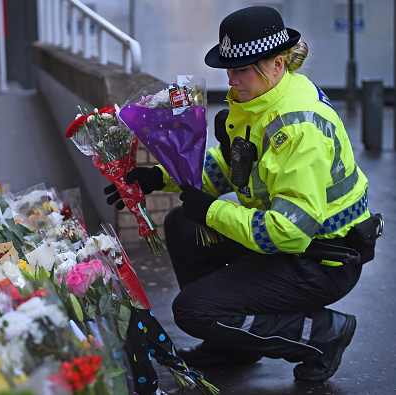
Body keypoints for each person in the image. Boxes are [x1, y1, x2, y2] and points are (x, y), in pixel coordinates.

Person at [105, 6, 381, 382]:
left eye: (241, 70)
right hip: (298, 247)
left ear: (276, 66)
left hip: (321, 260)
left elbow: (288, 231)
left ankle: (322, 336)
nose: (231, 80)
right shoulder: (261, 99)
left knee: (193, 311)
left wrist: (213, 212)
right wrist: (159, 178)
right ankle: (232, 346)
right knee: (184, 224)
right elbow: (232, 166)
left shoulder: (297, 127)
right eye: (229, 69)